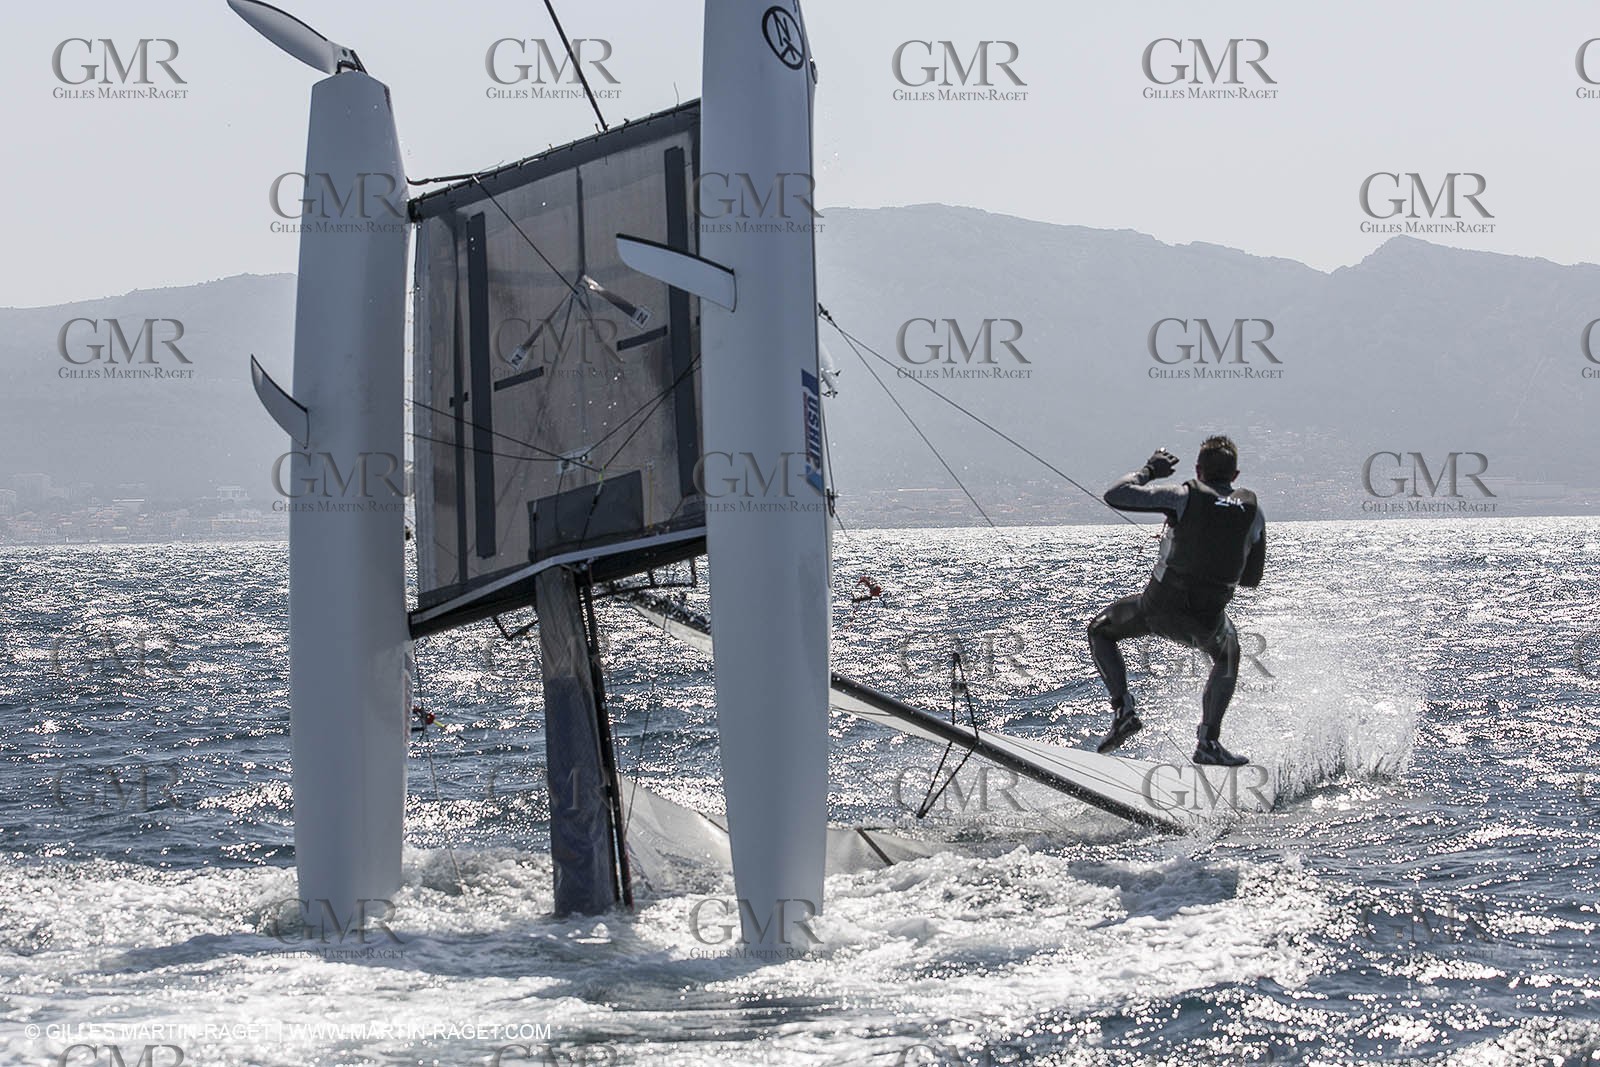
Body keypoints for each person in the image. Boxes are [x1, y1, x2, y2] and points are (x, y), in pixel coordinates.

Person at [1087, 436, 1265, 766]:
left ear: (1198, 470)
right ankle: (1208, 741)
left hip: (1157, 610)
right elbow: (1251, 579)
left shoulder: (1183, 496)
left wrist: (1150, 470)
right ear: (1235, 475)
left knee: (1100, 630)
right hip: (1206, 621)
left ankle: (1124, 710)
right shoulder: (1253, 514)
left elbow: (1116, 495)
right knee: (1229, 653)